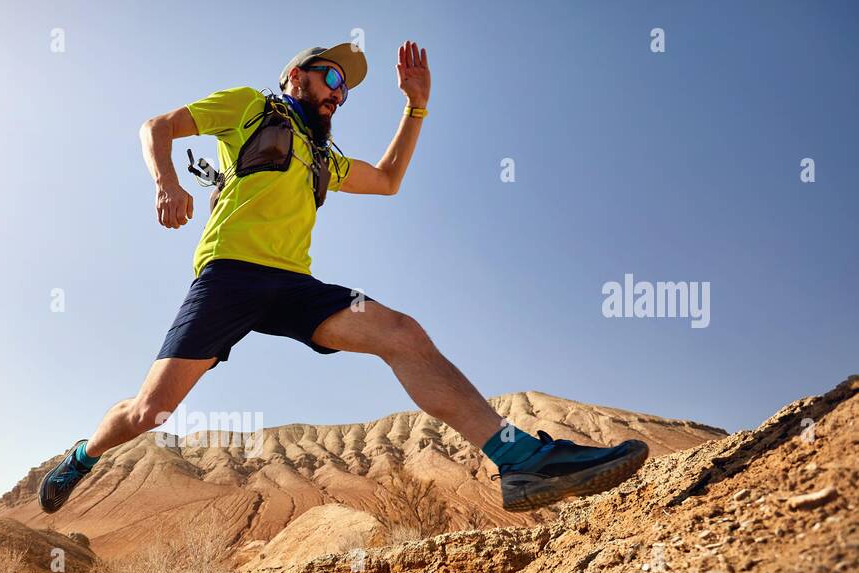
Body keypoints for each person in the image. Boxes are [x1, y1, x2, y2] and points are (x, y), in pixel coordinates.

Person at [40, 41, 646, 515]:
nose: (338, 93)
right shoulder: (251, 106)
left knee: (402, 332)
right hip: (228, 278)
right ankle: (82, 455)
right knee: (150, 413)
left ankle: (518, 460)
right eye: (330, 78)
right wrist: (166, 183)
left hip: (293, 288)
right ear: (294, 78)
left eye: (346, 90)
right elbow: (157, 126)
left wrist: (417, 105)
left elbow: (387, 180)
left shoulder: (323, 155)